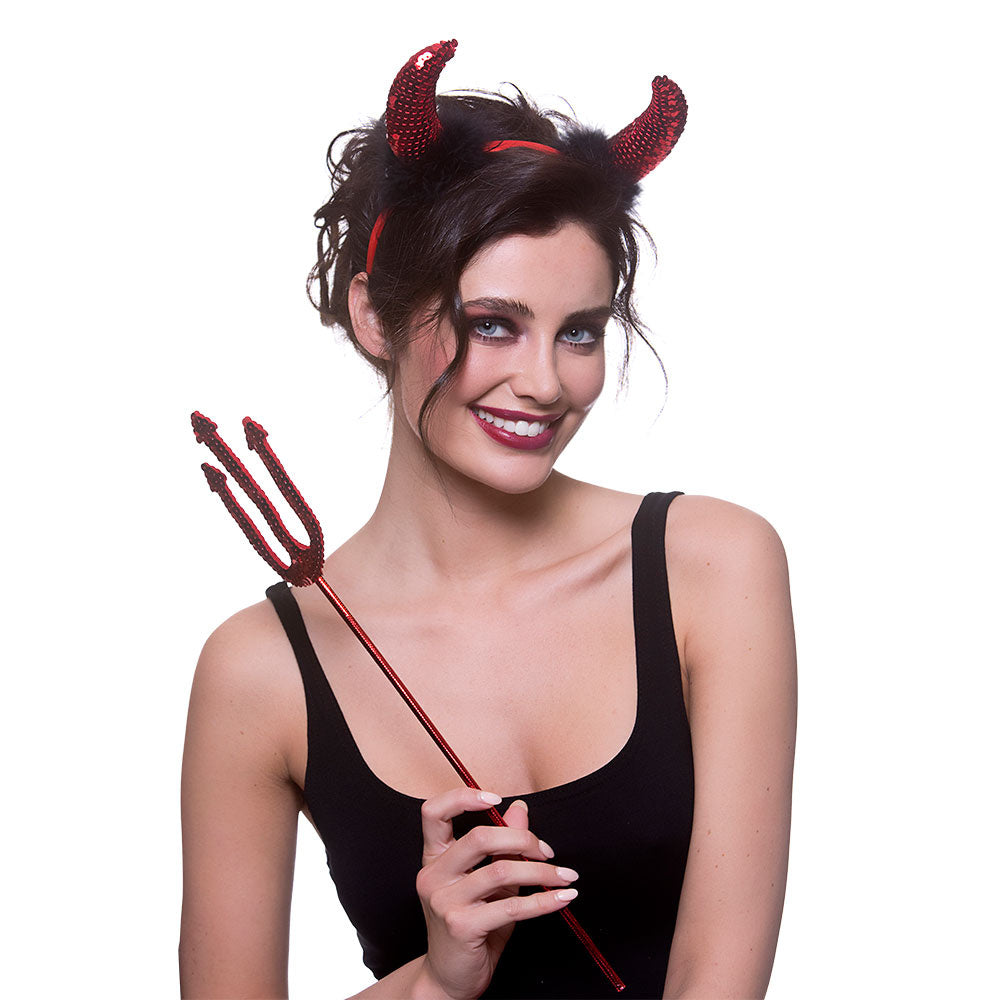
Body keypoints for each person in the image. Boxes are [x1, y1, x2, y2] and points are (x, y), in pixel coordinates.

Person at [179, 39, 797, 1000]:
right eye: (494, 324)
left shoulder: (711, 569)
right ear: (375, 318)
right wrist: (433, 982)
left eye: (579, 332)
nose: (545, 382)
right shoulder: (259, 671)